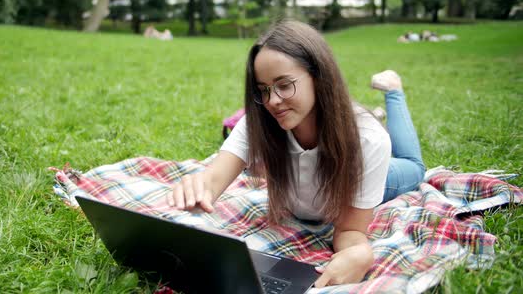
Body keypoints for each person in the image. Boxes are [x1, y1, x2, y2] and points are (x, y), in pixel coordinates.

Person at [167, 20, 425, 287]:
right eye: (263, 89)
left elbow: (349, 230)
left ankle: (394, 92)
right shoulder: (259, 122)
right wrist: (198, 188)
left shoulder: (369, 141)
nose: (273, 101)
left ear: (318, 76)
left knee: (415, 168)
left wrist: (359, 252)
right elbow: (212, 180)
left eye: (284, 84)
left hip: (366, 176)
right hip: (327, 180)